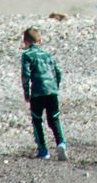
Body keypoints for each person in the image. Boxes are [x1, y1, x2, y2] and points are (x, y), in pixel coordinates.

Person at [20, 28, 66, 161]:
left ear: (25, 42)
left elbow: (25, 75)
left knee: (37, 120)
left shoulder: (27, 55)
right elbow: (58, 72)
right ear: (40, 41)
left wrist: (26, 92)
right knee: (54, 118)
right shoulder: (47, 54)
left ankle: (43, 150)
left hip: (38, 92)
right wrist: (55, 87)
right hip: (52, 91)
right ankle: (61, 143)